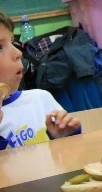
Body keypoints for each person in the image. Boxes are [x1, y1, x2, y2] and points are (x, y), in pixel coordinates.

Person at [0, 12, 80, 148]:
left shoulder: (40, 98)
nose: (18, 53)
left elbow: (72, 154)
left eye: (12, 42)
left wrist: (66, 136)